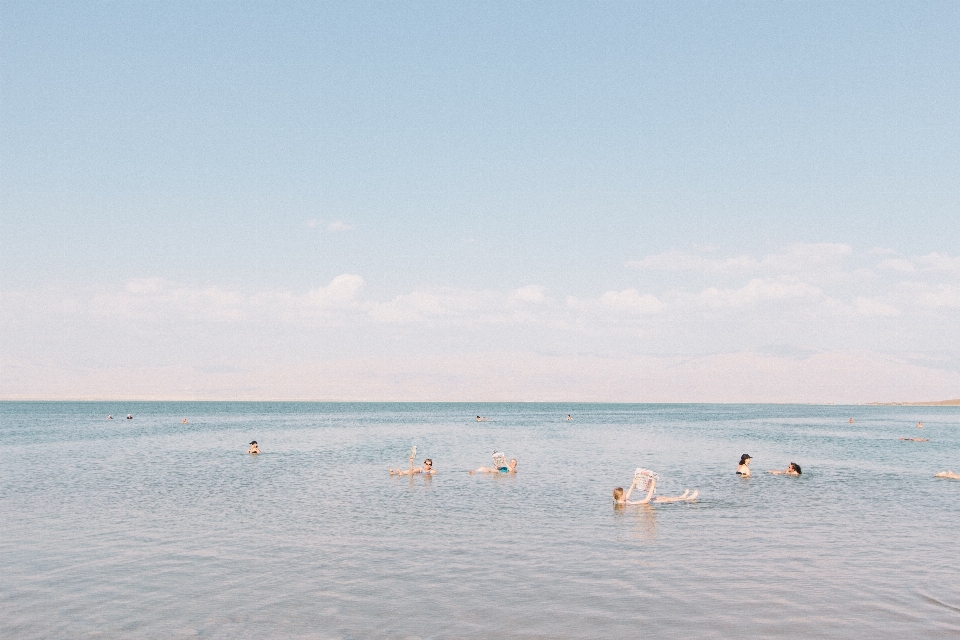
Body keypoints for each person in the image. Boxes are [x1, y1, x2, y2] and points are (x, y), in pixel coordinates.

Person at [613, 473, 697, 505]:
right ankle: (689, 498)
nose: (626, 493)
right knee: (667, 500)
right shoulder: (628, 504)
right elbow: (645, 501)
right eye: (624, 493)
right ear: (621, 496)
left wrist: (633, 484)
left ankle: (682, 496)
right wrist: (652, 487)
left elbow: (627, 496)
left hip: (648, 502)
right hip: (647, 504)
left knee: (662, 497)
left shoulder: (621, 501)